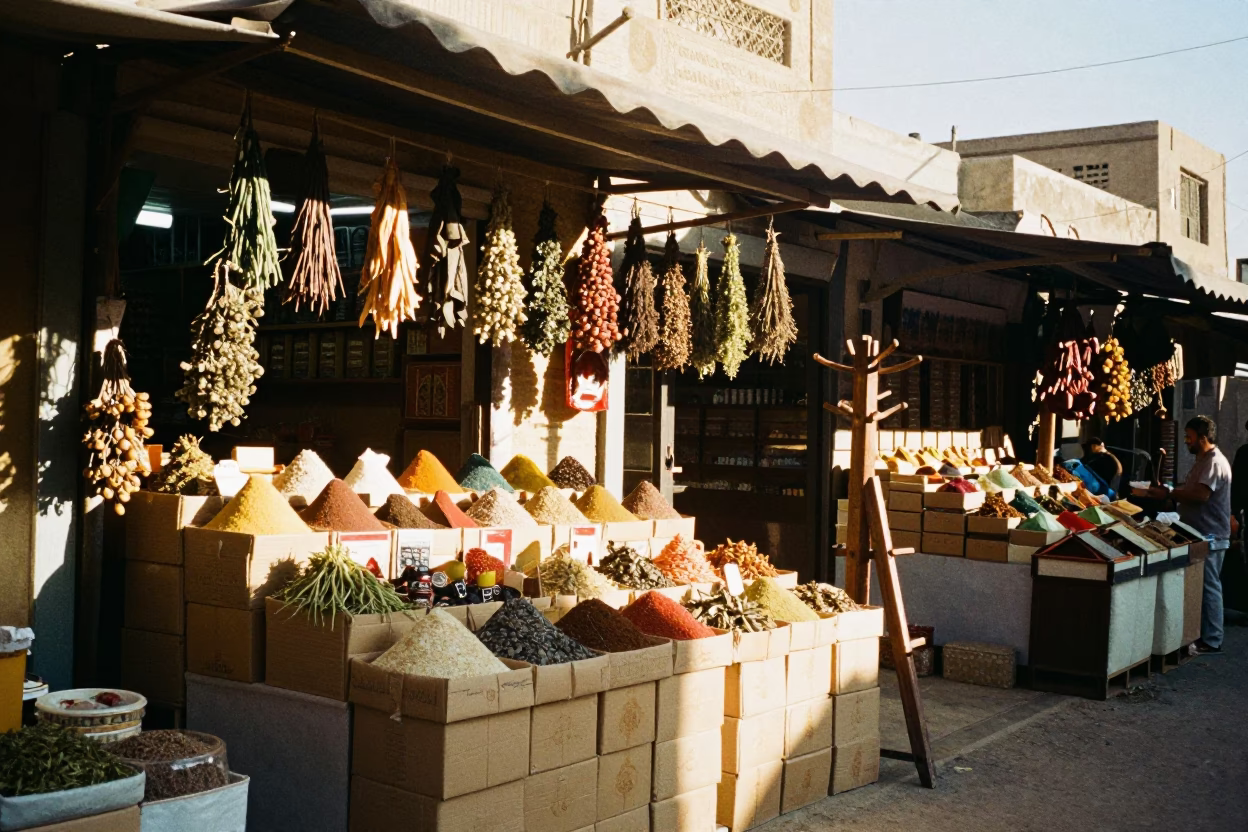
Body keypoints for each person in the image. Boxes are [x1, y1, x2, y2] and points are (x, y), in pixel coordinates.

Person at [1148, 416, 1232, 655]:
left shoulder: (1214, 462)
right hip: (1199, 532)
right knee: (1204, 586)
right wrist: (1171, 493)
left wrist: (1173, 493)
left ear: (1202, 437)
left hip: (1211, 534)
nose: (1186, 441)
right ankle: (1201, 635)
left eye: (1189, 437)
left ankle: (1213, 639)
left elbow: (1201, 495)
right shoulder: (1203, 460)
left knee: (1209, 587)